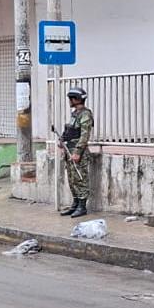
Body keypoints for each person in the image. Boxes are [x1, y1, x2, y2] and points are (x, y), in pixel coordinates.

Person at [59, 87, 94, 218]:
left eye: (70, 98)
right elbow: (70, 131)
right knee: (72, 179)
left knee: (80, 179)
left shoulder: (85, 114)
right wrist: (62, 140)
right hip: (69, 150)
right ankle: (75, 203)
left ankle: (82, 206)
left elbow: (84, 135)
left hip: (78, 152)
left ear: (76, 99)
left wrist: (78, 152)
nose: (69, 101)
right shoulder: (75, 114)